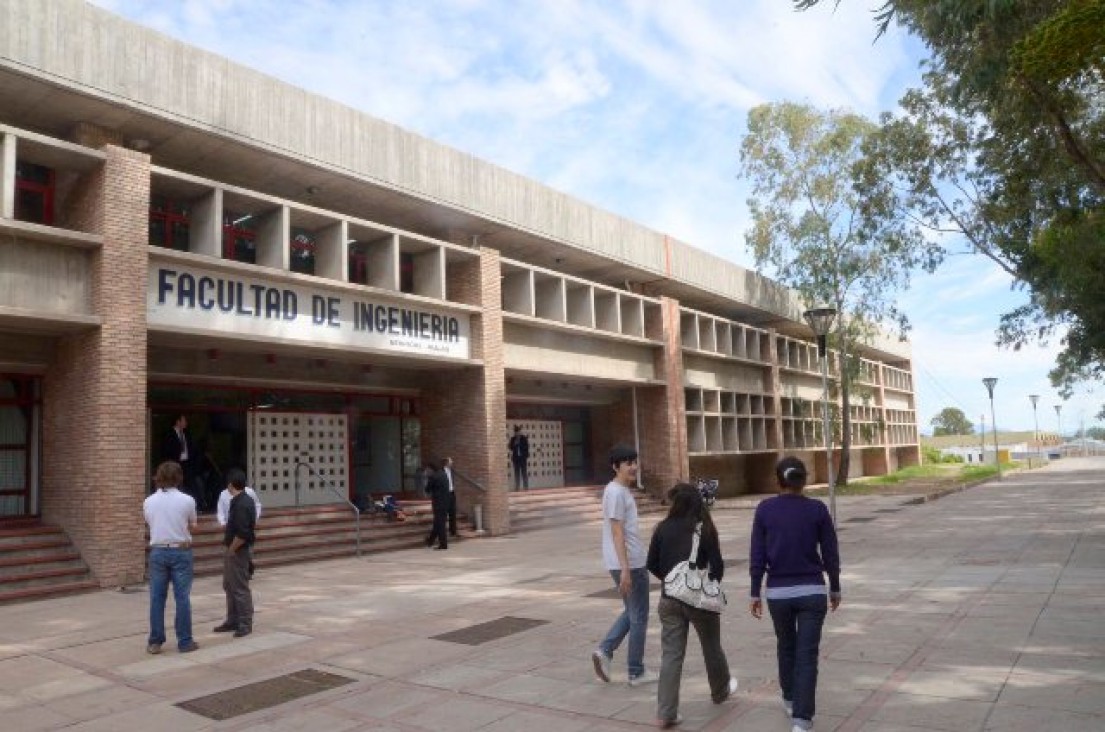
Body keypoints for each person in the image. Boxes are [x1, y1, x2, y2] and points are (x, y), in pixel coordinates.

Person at [749, 457, 841, 732]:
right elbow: (830, 553)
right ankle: (802, 719)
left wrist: (755, 591)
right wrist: (834, 586)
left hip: (777, 594)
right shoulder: (817, 509)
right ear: (804, 480)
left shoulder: (765, 509)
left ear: (779, 480)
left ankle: (790, 698)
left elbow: (757, 554)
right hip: (812, 592)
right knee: (807, 655)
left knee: (786, 646)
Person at [647, 484, 739, 728]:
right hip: (699, 601)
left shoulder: (663, 528)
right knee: (711, 647)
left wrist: (672, 580)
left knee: (671, 655)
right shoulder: (704, 527)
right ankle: (719, 691)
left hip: (668, 599)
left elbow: (652, 563)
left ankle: (665, 712)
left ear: (676, 503)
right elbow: (718, 567)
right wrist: (704, 585)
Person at [592, 445, 656, 686]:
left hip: (626, 561)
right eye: (627, 462)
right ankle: (636, 671)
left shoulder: (618, 491)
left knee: (632, 611)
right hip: (630, 563)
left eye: (634, 461)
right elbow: (617, 532)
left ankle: (605, 651)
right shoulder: (616, 492)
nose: (633, 466)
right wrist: (626, 569)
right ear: (615, 466)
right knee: (639, 615)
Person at [143, 460, 199, 655]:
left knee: (157, 598)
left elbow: (149, 524)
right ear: (179, 478)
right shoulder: (187, 500)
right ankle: (185, 641)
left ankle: (155, 641)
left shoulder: (148, 501)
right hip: (181, 549)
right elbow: (193, 524)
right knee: (182, 597)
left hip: (158, 550)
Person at [214, 468, 257, 638]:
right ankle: (232, 619)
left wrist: (231, 550)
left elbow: (243, 533)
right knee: (229, 585)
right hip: (232, 548)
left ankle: (245, 622)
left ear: (231, 485)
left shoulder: (242, 503)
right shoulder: (238, 500)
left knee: (239, 587)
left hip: (237, 551)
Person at [216, 471, 262, 578]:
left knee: (243, 555)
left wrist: (254, 519)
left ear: (230, 485)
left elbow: (242, 533)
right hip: (231, 527)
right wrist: (223, 522)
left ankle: (247, 570)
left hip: (241, 530)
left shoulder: (246, 497)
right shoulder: (223, 494)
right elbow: (220, 510)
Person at [161, 414, 199, 508]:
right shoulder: (169, 434)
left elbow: (192, 449)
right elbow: (167, 450)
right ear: (178, 422)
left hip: (186, 464)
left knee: (190, 484)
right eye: (184, 421)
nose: (186, 423)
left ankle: (192, 506)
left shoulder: (187, 434)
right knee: (175, 484)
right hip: (174, 464)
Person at [424, 457, 451, 550]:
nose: (426, 470)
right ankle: (430, 541)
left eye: (427, 469)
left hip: (438, 504)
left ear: (431, 468)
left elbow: (427, 489)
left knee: (440, 525)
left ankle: (443, 544)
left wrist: (428, 478)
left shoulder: (433, 477)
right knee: (438, 523)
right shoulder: (443, 474)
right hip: (446, 502)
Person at [509, 424, 530, 490]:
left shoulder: (524, 438)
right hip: (516, 458)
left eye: (518, 432)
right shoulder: (513, 439)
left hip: (523, 458)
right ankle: (517, 487)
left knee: (524, 472)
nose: (517, 433)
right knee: (516, 473)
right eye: (516, 432)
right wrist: (515, 443)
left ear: (520, 432)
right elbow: (510, 447)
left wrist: (519, 444)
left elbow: (526, 447)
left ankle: (525, 487)